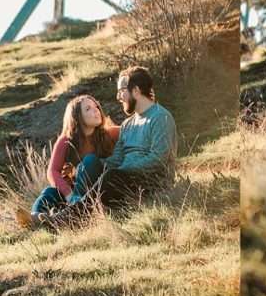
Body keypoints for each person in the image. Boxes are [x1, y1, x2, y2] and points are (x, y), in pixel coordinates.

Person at [20, 66, 177, 229]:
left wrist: (122, 170)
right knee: (92, 167)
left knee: (110, 177)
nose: (118, 97)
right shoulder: (127, 125)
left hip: (150, 181)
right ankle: (41, 217)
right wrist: (87, 168)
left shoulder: (160, 117)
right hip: (124, 178)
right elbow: (116, 159)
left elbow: (159, 159)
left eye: (121, 91)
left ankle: (64, 219)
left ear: (136, 90)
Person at [16, 95, 120, 228]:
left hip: (97, 190)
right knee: (49, 192)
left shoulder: (110, 133)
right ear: (77, 117)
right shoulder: (66, 141)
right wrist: (69, 194)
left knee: (90, 161)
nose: (96, 111)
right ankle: (34, 218)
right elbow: (52, 171)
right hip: (72, 194)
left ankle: (67, 213)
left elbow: (132, 129)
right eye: (88, 109)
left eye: (97, 107)